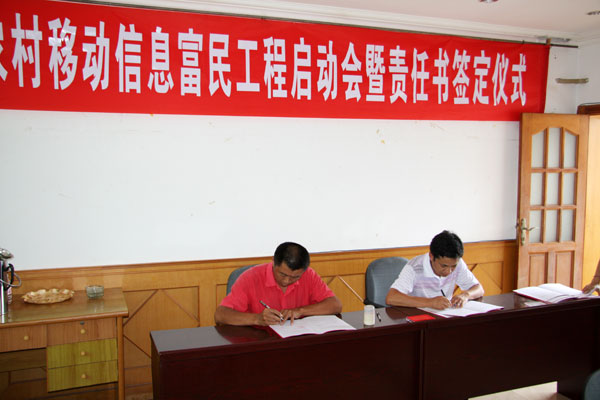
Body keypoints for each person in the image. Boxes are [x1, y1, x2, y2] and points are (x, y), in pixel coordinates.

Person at [214, 242, 342, 326]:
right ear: (273, 262)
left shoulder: (309, 275)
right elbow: (220, 314)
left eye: (295, 277)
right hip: (260, 344)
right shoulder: (250, 277)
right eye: (282, 274)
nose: (286, 281)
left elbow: (335, 305)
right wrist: (257, 319)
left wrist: (300, 311)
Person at [385, 230, 484, 309]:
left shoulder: (458, 263)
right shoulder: (415, 267)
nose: (449, 271)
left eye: (453, 266)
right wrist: (430, 302)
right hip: (418, 317)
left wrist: (465, 295)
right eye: (444, 266)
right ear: (431, 256)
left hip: (444, 315)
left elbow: (479, 289)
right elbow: (391, 298)